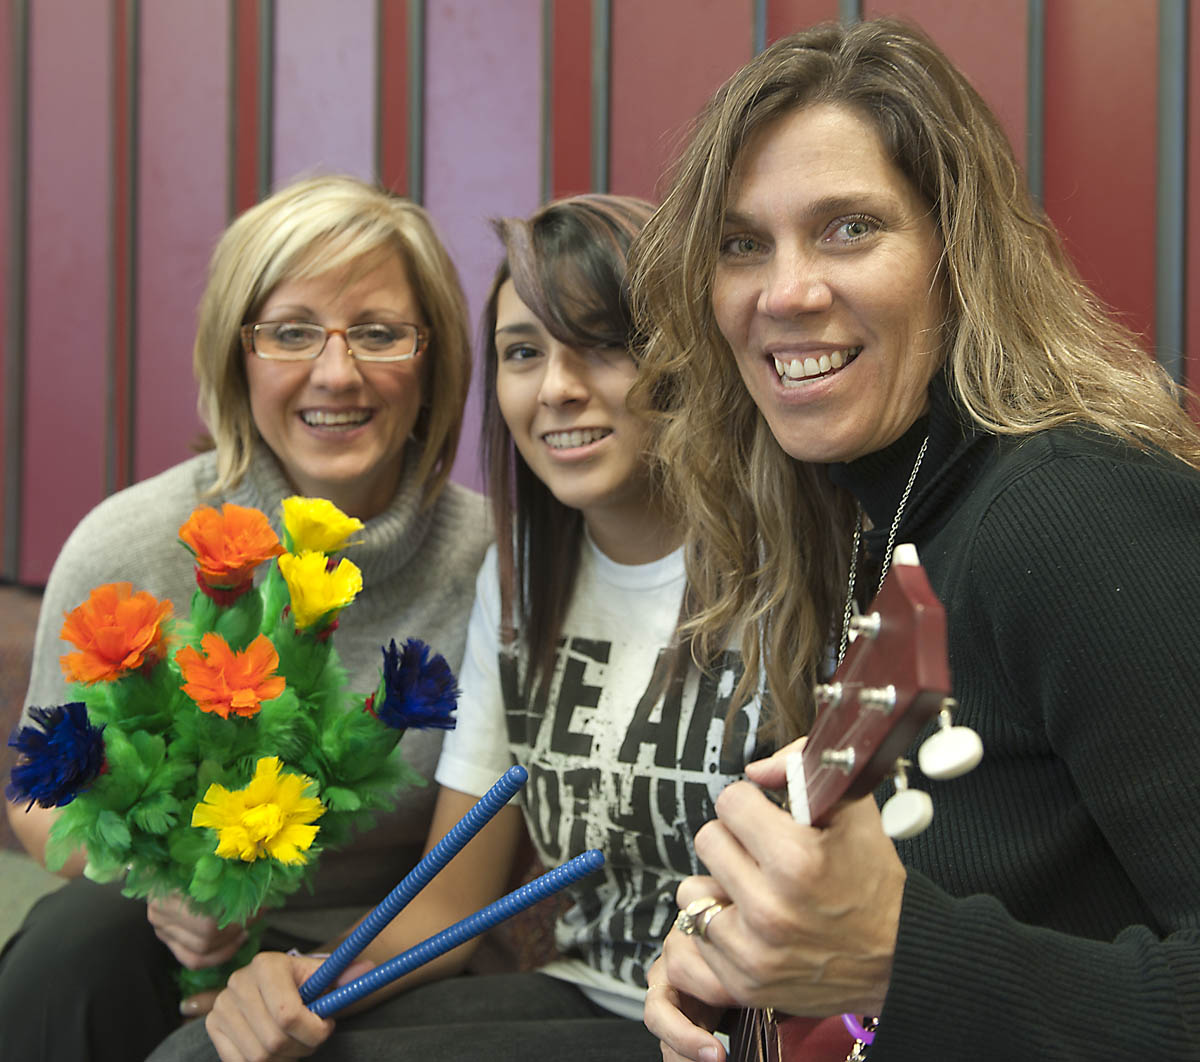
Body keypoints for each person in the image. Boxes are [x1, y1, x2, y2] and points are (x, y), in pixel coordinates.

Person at [628, 18, 1200, 1062]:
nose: (786, 291)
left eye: (849, 228)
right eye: (742, 244)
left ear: (958, 256)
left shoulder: (1077, 512)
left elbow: (910, 953)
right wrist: (745, 958)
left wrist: (897, 959)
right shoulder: (859, 522)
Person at [148, 193, 768, 1062]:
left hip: (734, 1030)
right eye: (524, 353)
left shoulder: (795, 575)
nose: (557, 388)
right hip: (579, 1001)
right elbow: (444, 906)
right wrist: (299, 979)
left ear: (684, 358)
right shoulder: (517, 586)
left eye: (602, 345)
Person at [0, 174, 492, 1062]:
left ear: (436, 361)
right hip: (159, 932)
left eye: (379, 334)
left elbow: (468, 887)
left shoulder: (493, 564)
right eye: (291, 332)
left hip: (378, 948)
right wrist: (165, 883)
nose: (336, 373)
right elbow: (37, 805)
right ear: (238, 357)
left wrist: (319, 967)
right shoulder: (134, 546)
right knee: (66, 955)